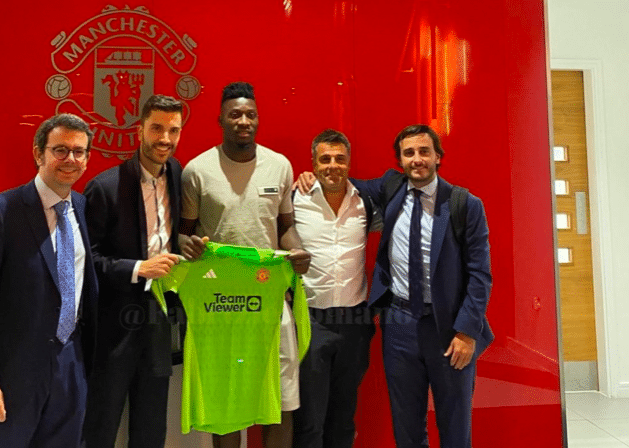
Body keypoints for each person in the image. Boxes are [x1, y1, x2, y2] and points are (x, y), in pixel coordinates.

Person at [298, 124, 492, 447]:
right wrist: (310, 178)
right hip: (399, 326)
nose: (417, 159)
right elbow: (341, 180)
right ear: (400, 161)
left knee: (455, 427)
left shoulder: (465, 205)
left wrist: (467, 332)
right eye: (409, 153)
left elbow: (480, 274)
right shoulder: (391, 188)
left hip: (449, 330)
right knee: (406, 427)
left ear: (438, 157)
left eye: (424, 152)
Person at [179, 81, 311, 448]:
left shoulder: (280, 166)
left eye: (250, 114)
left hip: (270, 298)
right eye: (235, 114)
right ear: (220, 118)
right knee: (228, 399)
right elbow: (182, 234)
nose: (243, 121)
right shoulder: (197, 171)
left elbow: (286, 229)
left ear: (258, 119)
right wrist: (186, 245)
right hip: (219, 304)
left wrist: (296, 252)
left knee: (283, 400)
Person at [0, 113, 98, 448]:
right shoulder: (0, 212)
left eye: (79, 152)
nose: (70, 160)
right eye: (60, 150)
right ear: (38, 153)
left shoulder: (81, 207)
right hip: (10, 376)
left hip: (70, 367)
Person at [81, 94, 184, 448]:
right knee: (101, 425)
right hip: (112, 326)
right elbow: (87, 260)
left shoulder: (177, 174)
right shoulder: (105, 187)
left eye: (173, 130)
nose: (165, 139)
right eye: (157, 128)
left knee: (151, 428)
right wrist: (140, 268)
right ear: (139, 128)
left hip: (157, 320)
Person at [291, 129, 379, 448]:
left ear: (349, 163)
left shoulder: (365, 202)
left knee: (343, 420)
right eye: (325, 159)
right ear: (313, 164)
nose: (332, 165)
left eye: (340, 159)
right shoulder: (294, 199)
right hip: (310, 321)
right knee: (309, 422)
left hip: (355, 323)